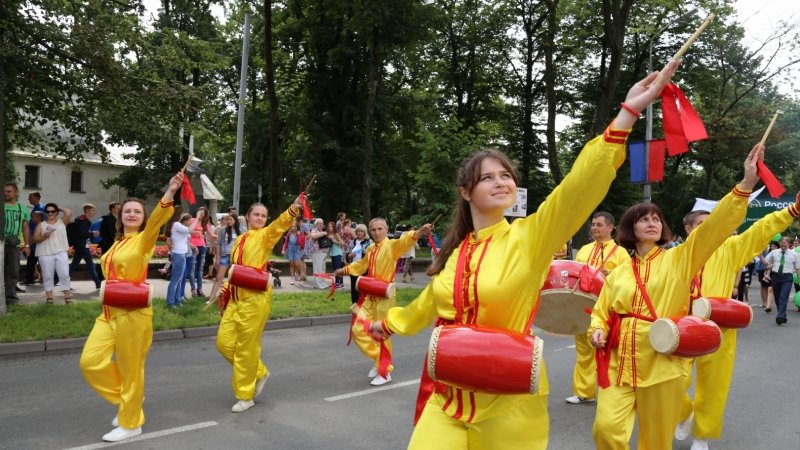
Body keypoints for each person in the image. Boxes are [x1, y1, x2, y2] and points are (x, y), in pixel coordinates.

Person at [366, 61, 680, 449]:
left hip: (510, 399)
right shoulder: (456, 252)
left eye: (506, 175)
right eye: (487, 177)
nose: (501, 182)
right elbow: (431, 303)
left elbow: (577, 188)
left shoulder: (530, 237)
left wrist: (627, 113)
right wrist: (390, 324)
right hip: (447, 400)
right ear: (466, 192)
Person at [588, 143, 762, 450]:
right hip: (620, 363)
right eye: (644, 219)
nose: (652, 222)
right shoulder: (619, 273)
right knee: (606, 429)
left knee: (655, 441)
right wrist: (597, 330)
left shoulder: (679, 259)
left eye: (657, 219)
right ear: (630, 227)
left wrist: (746, 184)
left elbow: (716, 228)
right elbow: (601, 312)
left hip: (661, 363)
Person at [674, 197, 799, 450]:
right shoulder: (674, 254)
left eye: (712, 225)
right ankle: (683, 412)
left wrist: (791, 211)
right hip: (680, 327)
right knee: (669, 380)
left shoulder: (729, 248)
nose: (709, 230)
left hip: (718, 326)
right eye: (701, 225)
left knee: (714, 386)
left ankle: (702, 436)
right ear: (688, 228)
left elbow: (759, 230)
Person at [78, 172, 182, 442]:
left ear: (143, 218)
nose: (133, 214)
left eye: (138, 211)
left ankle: (131, 422)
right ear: (119, 215)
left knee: (131, 370)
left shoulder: (144, 239)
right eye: (128, 211)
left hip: (133, 316)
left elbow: (160, 217)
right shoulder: (116, 244)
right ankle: (130, 400)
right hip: (108, 313)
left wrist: (170, 191)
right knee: (89, 362)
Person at [215, 196, 303, 413]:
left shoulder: (265, 235)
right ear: (248, 216)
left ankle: (246, 395)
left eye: (263, 215)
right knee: (224, 344)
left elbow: (279, 225)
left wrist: (292, 209)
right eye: (257, 214)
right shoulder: (240, 239)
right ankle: (259, 371)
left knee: (246, 349)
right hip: (235, 299)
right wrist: (225, 288)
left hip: (254, 299)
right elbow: (236, 268)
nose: (260, 218)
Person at [337, 218, 431, 386]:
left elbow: (405, 241)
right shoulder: (371, 248)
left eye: (380, 229)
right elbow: (360, 265)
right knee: (358, 329)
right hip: (369, 294)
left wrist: (418, 233)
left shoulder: (392, 246)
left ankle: (384, 371)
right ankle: (380, 359)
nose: (377, 232)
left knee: (381, 334)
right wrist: (343, 270)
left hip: (385, 296)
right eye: (373, 230)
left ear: (386, 229)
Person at [566, 211, 629, 405]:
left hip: (607, 309)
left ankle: (611, 392)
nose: (594, 228)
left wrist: (609, 274)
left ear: (611, 228)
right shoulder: (584, 250)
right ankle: (584, 392)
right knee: (583, 350)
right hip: (583, 305)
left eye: (599, 225)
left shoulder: (621, 253)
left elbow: (628, 281)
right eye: (593, 224)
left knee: (608, 351)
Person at [32, 204, 72, 304]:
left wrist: (60, 208)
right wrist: (44, 236)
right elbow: (35, 238)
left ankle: (67, 297)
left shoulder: (62, 222)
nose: (50, 213)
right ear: (45, 213)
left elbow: (69, 212)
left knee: (64, 274)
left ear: (57, 212)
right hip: (45, 253)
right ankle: (49, 298)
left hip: (61, 251)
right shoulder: (41, 224)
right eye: (48, 211)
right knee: (47, 275)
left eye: (53, 211)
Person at [763, 236, 800, 326]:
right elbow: (766, 263)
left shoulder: (794, 254)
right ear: (779, 243)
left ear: (789, 244)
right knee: (777, 297)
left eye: (785, 244)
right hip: (775, 276)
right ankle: (783, 315)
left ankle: (780, 317)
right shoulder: (774, 252)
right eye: (782, 244)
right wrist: (760, 256)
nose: (783, 246)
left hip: (787, 277)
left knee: (783, 297)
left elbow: (798, 268)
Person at [4, 183, 31, 305]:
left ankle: (11, 298)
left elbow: (25, 228)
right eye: (4, 191)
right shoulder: (1, 205)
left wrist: (27, 245)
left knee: (13, 271)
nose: (6, 193)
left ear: (16, 193)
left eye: (9, 191)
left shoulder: (22, 208)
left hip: (14, 244)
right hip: (1, 243)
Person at [209, 214, 241, 303]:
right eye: (227, 220)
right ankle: (210, 299)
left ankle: (235, 299)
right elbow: (218, 244)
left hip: (236, 256)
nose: (228, 221)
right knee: (218, 278)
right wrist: (217, 257)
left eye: (230, 219)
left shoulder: (241, 231)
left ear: (235, 220)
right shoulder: (223, 230)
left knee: (236, 279)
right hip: (225, 256)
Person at [69, 204, 102, 289]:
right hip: (83, 246)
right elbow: (83, 233)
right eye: (92, 210)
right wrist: (92, 233)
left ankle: (63, 283)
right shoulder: (84, 220)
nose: (94, 212)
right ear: (87, 211)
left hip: (80, 245)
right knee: (90, 264)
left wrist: (90, 233)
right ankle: (98, 284)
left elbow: (81, 233)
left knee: (73, 265)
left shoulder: (81, 219)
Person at [166, 214, 193, 308]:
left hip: (182, 254)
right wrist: (197, 218)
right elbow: (190, 231)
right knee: (175, 279)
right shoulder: (176, 224)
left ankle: (177, 300)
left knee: (179, 279)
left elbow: (188, 234)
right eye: (181, 213)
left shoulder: (179, 226)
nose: (182, 215)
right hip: (178, 254)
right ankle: (170, 302)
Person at [187, 207, 212, 297]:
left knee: (200, 270)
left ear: (205, 215)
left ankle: (200, 289)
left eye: (203, 213)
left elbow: (211, 235)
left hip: (202, 247)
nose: (201, 214)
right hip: (193, 247)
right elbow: (188, 231)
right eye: (200, 212)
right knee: (192, 269)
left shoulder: (205, 224)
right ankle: (193, 290)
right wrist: (195, 231)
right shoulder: (192, 220)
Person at [347, 224, 371, 304]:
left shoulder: (369, 242)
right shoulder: (352, 242)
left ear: (365, 232)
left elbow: (375, 254)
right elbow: (346, 254)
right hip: (353, 267)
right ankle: (355, 305)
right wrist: (349, 256)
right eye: (358, 231)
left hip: (364, 269)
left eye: (361, 231)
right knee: (354, 288)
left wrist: (366, 252)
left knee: (363, 288)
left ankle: (363, 305)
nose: (359, 233)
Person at [24, 192, 45, 285]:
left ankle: (30, 280)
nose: (29, 199)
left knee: (32, 260)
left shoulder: (40, 209)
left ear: (37, 198)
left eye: (30, 197)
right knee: (33, 260)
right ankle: (32, 279)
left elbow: (40, 223)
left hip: (36, 239)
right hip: (34, 238)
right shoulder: (37, 208)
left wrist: (33, 238)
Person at [309, 218, 331, 289]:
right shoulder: (314, 230)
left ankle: (322, 282)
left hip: (323, 252)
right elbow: (313, 236)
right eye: (319, 223)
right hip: (317, 252)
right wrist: (323, 233)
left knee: (322, 268)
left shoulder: (322, 231)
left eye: (322, 223)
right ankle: (317, 283)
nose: (321, 224)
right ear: (316, 224)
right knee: (317, 268)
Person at [328, 221, 345, 288]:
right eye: (329, 227)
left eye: (331, 226)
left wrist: (334, 240)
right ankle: (337, 282)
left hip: (337, 253)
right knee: (335, 269)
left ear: (334, 227)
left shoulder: (336, 234)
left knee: (338, 269)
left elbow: (342, 243)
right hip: (332, 253)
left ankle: (340, 283)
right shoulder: (329, 234)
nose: (330, 228)